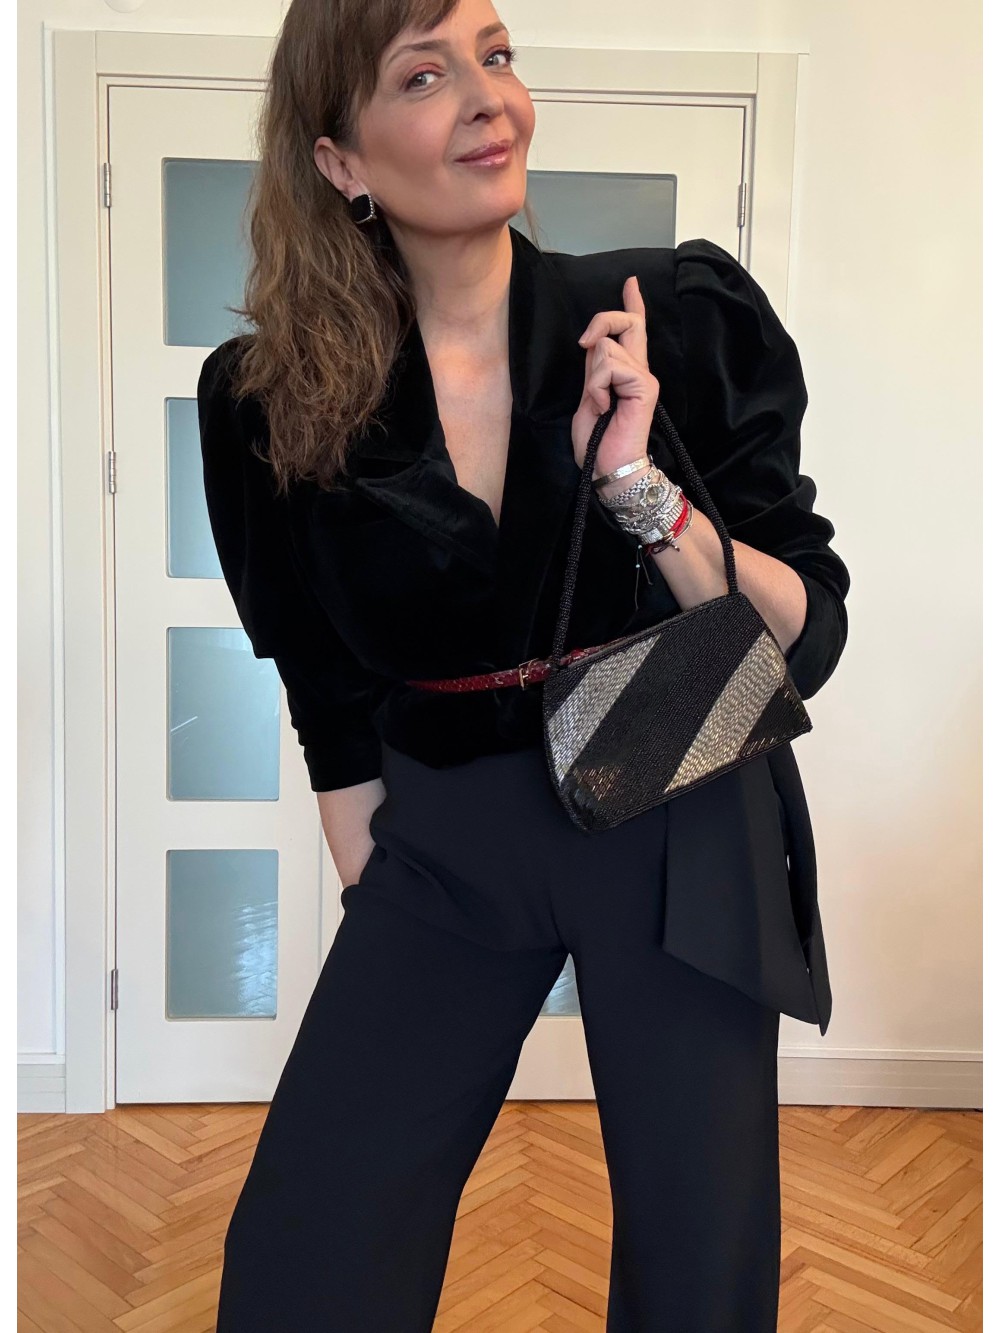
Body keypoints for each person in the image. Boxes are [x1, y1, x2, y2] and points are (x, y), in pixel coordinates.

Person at [197, 0, 850, 1328]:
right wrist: (377, 891)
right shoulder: (272, 396)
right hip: (448, 829)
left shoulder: (671, 315)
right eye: (423, 75)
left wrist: (641, 488)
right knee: (311, 1245)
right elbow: (327, 688)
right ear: (339, 158)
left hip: (676, 792)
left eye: (495, 55)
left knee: (698, 1253)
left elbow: (807, 632)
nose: (486, 96)